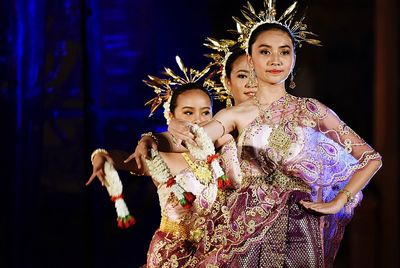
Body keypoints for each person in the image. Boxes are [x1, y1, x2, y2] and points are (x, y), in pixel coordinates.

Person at [138, 2, 382, 267]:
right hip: (249, 226)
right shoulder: (236, 115)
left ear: (294, 59)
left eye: (284, 52)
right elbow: (191, 138)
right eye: (265, 51)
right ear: (251, 59)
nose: (276, 60)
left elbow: (371, 158)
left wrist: (339, 201)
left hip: (302, 226)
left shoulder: (313, 111)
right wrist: (150, 139)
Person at [87, 57, 243, 268]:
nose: (197, 120)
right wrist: (101, 156)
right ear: (171, 116)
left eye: (205, 112)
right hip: (175, 257)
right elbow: (124, 160)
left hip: (222, 253)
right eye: (188, 112)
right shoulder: (159, 157)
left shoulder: (225, 153)